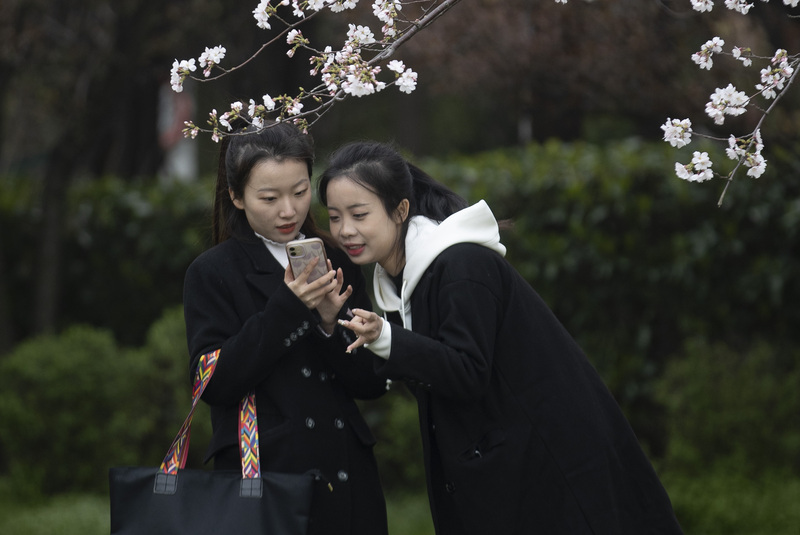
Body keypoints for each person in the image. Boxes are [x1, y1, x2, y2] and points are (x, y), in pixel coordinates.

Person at [319, 141, 685, 535]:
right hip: (502, 472)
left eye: (359, 214)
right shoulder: (396, 282)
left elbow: (467, 371)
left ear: (401, 209)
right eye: (335, 217)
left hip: (549, 468)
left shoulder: (461, 264)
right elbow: (382, 380)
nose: (345, 231)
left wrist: (386, 337)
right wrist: (330, 321)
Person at [183, 124, 388, 535]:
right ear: (237, 197)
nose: (289, 211)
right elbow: (213, 384)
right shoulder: (213, 271)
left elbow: (372, 382)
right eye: (269, 198)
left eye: (299, 191)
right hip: (265, 478)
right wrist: (289, 307)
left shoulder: (337, 256)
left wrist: (332, 325)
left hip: (344, 472)